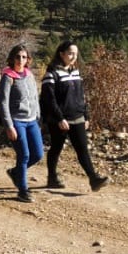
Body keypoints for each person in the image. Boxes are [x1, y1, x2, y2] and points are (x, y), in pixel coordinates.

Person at [41, 40, 110, 191]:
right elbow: (49, 99)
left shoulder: (76, 72)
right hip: (59, 119)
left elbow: (81, 96)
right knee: (56, 148)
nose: (73, 57)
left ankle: (94, 179)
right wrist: (59, 118)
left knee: (82, 148)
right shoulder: (52, 74)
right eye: (70, 53)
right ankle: (52, 177)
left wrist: (86, 115)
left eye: (75, 54)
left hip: (77, 116)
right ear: (62, 54)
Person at [0, 44, 43, 203]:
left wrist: (37, 115)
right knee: (24, 155)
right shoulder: (8, 77)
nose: (21, 60)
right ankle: (23, 190)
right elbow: (2, 103)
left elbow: (35, 97)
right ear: (12, 58)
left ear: (28, 59)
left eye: (24, 57)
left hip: (31, 120)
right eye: (18, 57)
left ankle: (16, 172)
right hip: (17, 121)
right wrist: (9, 126)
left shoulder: (29, 75)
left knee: (38, 154)